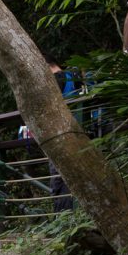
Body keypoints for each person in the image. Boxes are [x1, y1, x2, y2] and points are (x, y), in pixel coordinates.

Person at [43, 53, 82, 212]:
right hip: (81, 132)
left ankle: (65, 218)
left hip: (60, 135)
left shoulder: (53, 81)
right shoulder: (73, 76)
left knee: (60, 179)